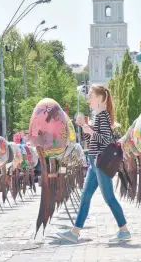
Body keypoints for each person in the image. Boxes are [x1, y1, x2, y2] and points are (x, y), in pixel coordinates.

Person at [57, 85, 130, 243]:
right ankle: (75, 232)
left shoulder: (103, 116)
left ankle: (124, 230)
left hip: (100, 163)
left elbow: (106, 140)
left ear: (100, 98)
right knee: (85, 197)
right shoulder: (99, 116)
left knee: (109, 197)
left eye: (90, 96)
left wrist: (90, 132)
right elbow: (95, 141)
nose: (88, 99)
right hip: (94, 161)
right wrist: (86, 129)